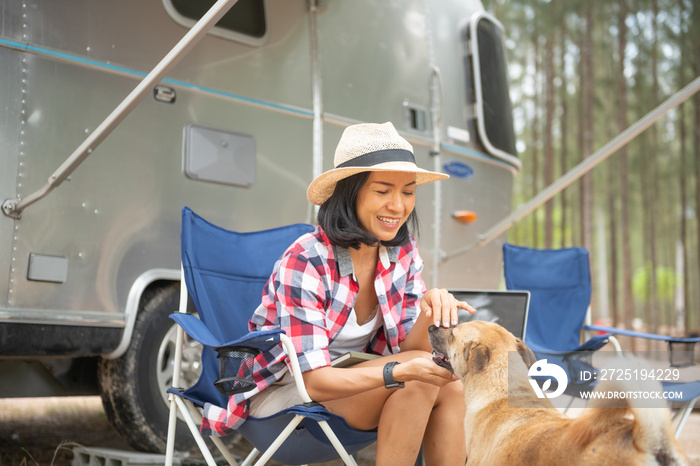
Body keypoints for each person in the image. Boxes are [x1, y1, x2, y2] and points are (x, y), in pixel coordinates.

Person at [245, 122, 475, 465]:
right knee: (417, 375)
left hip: (361, 390)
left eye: (408, 192)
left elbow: (409, 350)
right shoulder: (305, 260)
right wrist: (396, 371)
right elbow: (316, 381)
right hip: (282, 403)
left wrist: (431, 312)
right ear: (349, 193)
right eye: (383, 191)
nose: (398, 206)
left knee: (446, 381)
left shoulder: (401, 253)